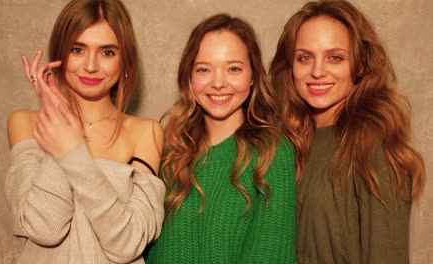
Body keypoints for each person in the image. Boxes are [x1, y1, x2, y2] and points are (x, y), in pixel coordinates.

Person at [5, 0, 165, 263]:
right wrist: (59, 115)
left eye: (107, 52)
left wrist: (72, 152)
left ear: (125, 60)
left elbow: (126, 244)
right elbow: (46, 229)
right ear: (60, 53)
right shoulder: (24, 123)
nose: (91, 66)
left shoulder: (146, 132)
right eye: (78, 49)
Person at [269, 0, 426, 263]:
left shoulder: (373, 146)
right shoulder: (285, 146)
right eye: (305, 58)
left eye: (335, 57)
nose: (318, 71)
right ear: (290, 67)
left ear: (361, 65)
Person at [144, 14, 296, 263]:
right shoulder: (169, 150)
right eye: (204, 69)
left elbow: (271, 255)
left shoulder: (272, 153)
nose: (218, 83)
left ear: (253, 77)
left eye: (233, 69)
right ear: (189, 77)